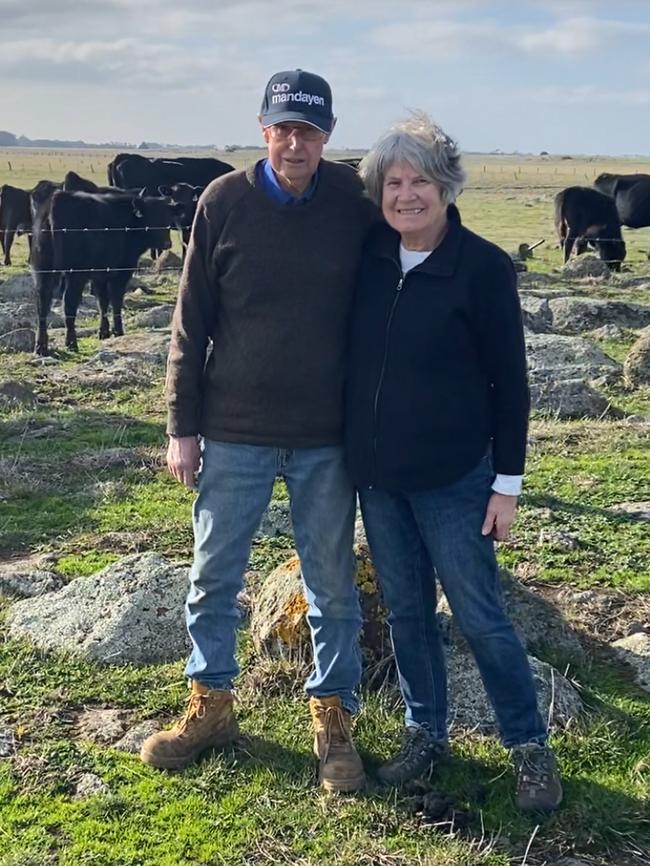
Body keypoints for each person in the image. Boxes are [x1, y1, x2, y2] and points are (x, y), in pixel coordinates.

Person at [140, 69, 376, 793]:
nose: (295, 142)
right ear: (262, 128)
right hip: (234, 429)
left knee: (333, 587)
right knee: (213, 578)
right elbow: (191, 324)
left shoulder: (355, 202)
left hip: (325, 434)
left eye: (309, 129)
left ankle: (333, 721)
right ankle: (211, 705)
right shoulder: (223, 202)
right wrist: (183, 428)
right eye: (283, 128)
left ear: (328, 133)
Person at [344, 113, 563, 811]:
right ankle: (425, 735)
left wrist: (507, 484)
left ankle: (529, 748)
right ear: (379, 192)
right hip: (378, 479)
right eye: (394, 182)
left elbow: (511, 383)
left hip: (456, 480)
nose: (406, 194)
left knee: (479, 616)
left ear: (447, 186)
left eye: (421, 181)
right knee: (406, 614)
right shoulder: (370, 258)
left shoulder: (484, 268)